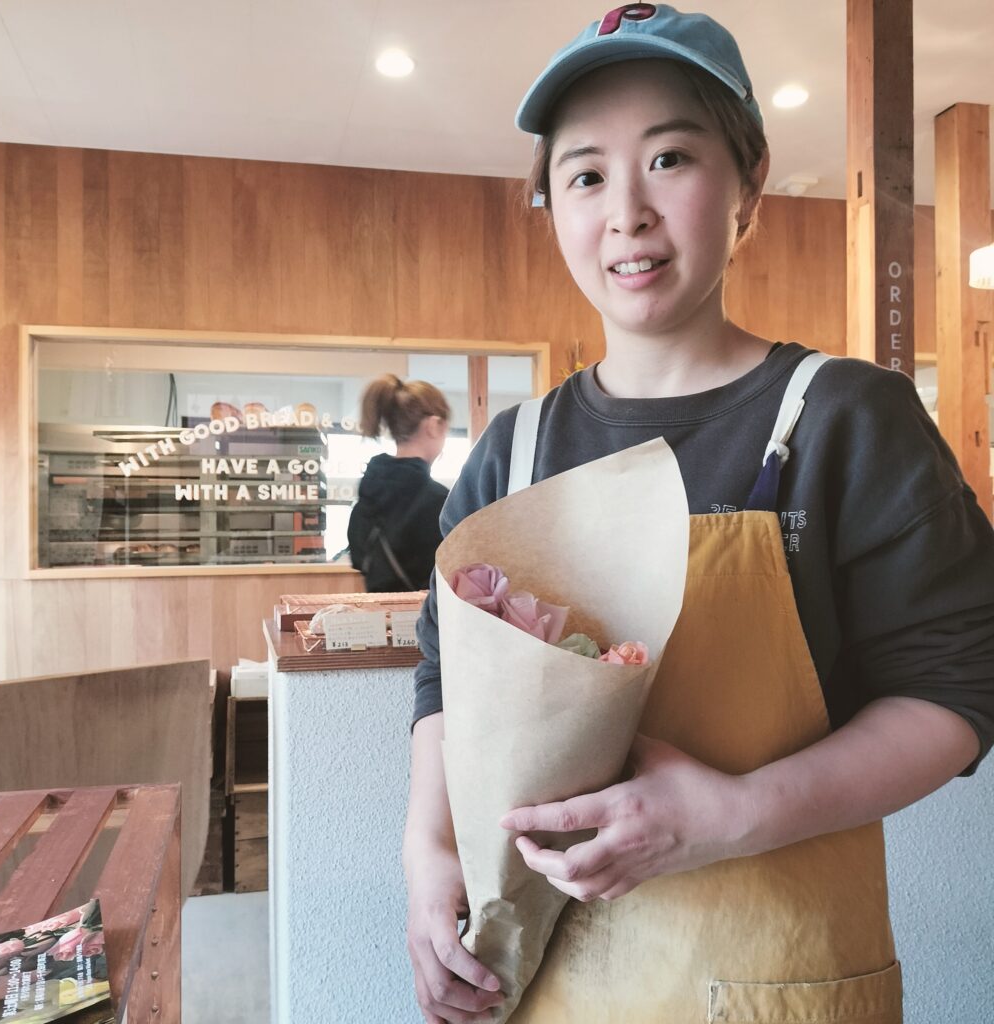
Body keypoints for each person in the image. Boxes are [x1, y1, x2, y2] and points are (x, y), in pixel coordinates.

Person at [402, 5, 994, 1023]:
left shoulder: (845, 420)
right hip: (546, 981)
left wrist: (732, 813)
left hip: (780, 977)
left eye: (669, 158)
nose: (626, 212)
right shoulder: (511, 451)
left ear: (748, 181)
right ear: (550, 203)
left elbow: (958, 688)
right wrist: (427, 848)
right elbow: (444, 680)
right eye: (585, 174)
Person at [347, 374, 451, 592]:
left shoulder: (368, 496)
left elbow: (360, 560)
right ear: (433, 426)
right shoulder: (440, 503)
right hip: (427, 614)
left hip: (377, 612)